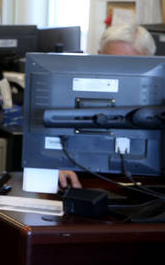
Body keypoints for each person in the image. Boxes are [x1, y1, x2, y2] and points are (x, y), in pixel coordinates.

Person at [59, 23, 158, 188]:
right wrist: (52, 166)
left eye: (130, 66)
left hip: (147, 188)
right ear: (98, 56)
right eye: (112, 62)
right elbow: (48, 142)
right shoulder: (72, 91)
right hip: (84, 183)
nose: (120, 74)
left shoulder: (158, 101)